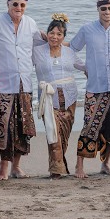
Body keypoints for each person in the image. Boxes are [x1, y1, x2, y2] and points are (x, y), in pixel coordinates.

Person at [71, 0, 110, 177]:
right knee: (89, 126)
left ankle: (105, 164)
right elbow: (72, 49)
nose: (107, 11)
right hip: (94, 87)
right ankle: (79, 166)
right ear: (98, 9)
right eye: (103, 8)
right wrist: (84, 67)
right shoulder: (87, 29)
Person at [0, 0, 43, 180]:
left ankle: (16, 166)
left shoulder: (31, 24)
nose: (18, 8)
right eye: (15, 4)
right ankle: (3, 167)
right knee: (4, 126)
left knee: (23, 127)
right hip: (3, 83)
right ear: (8, 4)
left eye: (22, 5)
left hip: (25, 83)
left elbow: (41, 45)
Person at [34, 13, 83, 179]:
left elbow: (84, 67)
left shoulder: (69, 52)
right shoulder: (37, 51)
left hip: (69, 96)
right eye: (51, 32)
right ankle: (56, 170)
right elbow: (28, 34)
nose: (54, 37)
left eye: (59, 34)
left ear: (64, 36)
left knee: (64, 134)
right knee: (52, 133)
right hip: (48, 97)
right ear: (47, 33)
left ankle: (61, 166)